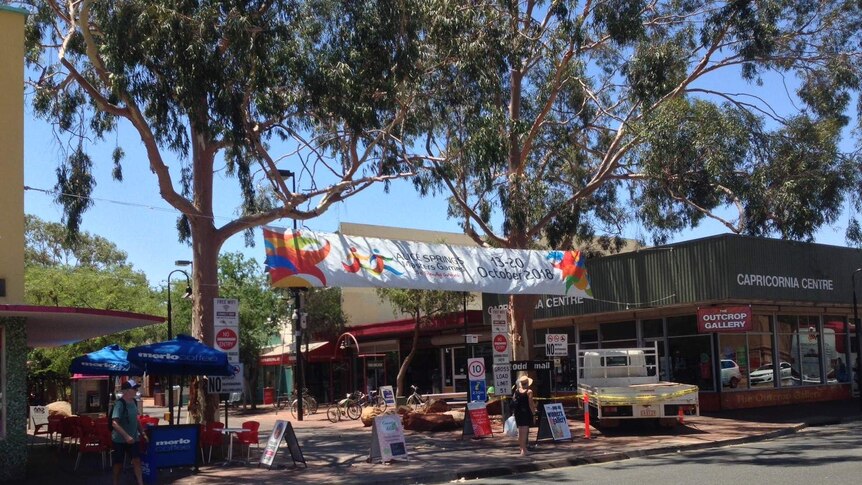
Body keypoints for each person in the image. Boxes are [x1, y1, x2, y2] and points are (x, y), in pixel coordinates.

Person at [112, 379, 146, 485]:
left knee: (137, 460)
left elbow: (136, 419)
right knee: (118, 464)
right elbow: (114, 423)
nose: (137, 390)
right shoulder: (119, 404)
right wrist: (126, 436)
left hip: (133, 438)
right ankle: (116, 482)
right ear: (126, 390)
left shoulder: (134, 402)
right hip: (120, 439)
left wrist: (143, 433)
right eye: (134, 388)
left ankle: (140, 483)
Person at [511, 374, 537, 456]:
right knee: (525, 432)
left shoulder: (517, 391)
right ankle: (524, 450)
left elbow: (513, 401)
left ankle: (521, 448)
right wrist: (534, 413)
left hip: (518, 412)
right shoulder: (529, 392)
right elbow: (530, 404)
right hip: (525, 413)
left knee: (520, 432)